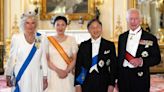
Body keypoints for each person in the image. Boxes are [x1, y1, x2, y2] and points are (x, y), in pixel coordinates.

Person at [117, 8, 161, 92]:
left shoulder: (150, 38)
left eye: (136, 19)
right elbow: (120, 58)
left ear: (140, 20)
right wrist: (116, 78)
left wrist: (141, 61)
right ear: (127, 20)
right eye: (131, 19)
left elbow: (157, 58)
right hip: (124, 77)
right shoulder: (122, 37)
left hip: (140, 77)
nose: (133, 21)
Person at [5, 11, 48, 92]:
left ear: (36, 24)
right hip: (21, 74)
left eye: (33, 23)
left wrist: (45, 76)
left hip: (37, 74)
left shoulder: (40, 38)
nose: (30, 26)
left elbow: (43, 59)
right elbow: (11, 58)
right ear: (23, 24)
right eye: (27, 23)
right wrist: (8, 74)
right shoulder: (17, 38)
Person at [74, 19, 117, 92]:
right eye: (92, 27)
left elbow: (113, 66)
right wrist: (78, 84)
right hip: (86, 81)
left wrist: (111, 84)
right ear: (88, 30)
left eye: (98, 27)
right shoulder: (83, 45)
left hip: (104, 82)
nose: (95, 29)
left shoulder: (109, 45)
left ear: (101, 28)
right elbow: (79, 65)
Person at [45, 16, 78, 92]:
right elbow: (46, 59)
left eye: (63, 25)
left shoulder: (72, 39)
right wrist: (58, 71)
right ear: (54, 26)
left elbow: (75, 59)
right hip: (53, 73)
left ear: (66, 26)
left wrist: (66, 71)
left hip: (67, 74)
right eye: (58, 25)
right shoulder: (48, 40)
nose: (60, 27)